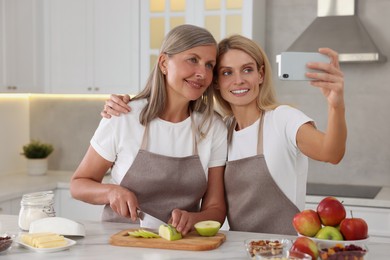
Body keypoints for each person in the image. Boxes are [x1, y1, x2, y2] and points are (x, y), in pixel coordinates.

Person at [101, 35, 346, 235]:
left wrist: (336, 105)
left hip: (287, 249)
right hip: (242, 249)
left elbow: (331, 153)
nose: (238, 80)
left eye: (247, 70)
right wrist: (126, 103)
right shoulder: (220, 130)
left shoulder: (281, 118)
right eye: (227, 72)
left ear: (260, 74)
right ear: (216, 82)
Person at [70, 24, 228, 236]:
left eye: (209, 65)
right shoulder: (124, 116)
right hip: (120, 244)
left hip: (182, 245)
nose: (202, 73)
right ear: (164, 63)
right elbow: (78, 184)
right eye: (193, 59)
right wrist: (111, 192)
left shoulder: (212, 127)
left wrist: (195, 218)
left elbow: (216, 209)